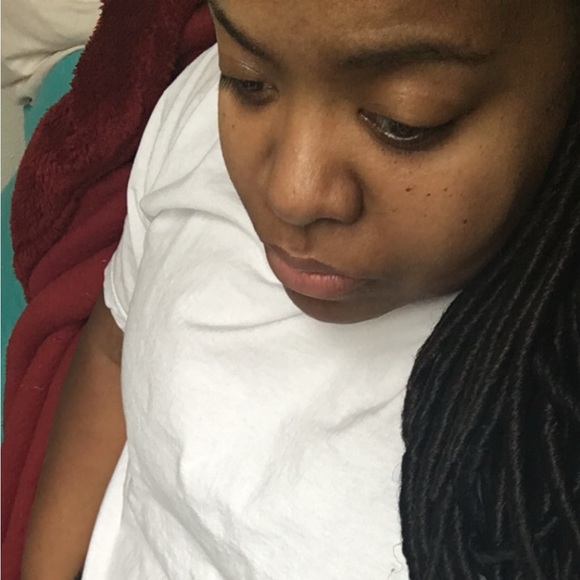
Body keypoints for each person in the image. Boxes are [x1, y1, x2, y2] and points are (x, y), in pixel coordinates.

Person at [21, 0, 580, 578]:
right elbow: (114, 345)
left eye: (404, 121)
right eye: (248, 81)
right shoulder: (197, 120)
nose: (291, 194)